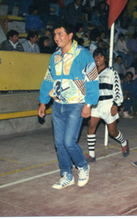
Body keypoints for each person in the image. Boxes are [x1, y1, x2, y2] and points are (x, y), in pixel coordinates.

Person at [38, 20, 99, 189]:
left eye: (60, 34)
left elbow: (92, 80)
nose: (56, 38)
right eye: (55, 34)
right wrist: (43, 101)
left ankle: (82, 166)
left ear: (70, 35)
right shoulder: (55, 56)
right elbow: (49, 79)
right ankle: (66, 175)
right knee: (59, 143)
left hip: (76, 105)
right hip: (58, 105)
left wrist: (89, 104)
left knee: (69, 142)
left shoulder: (83, 55)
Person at [85, 48, 129, 163]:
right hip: (95, 104)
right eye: (96, 56)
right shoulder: (91, 72)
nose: (98, 59)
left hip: (108, 104)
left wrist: (115, 104)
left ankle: (124, 143)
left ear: (105, 58)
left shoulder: (111, 72)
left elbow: (118, 89)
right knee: (91, 127)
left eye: (101, 56)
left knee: (112, 132)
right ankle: (91, 155)